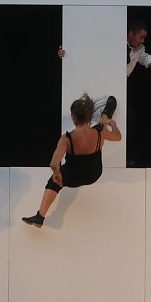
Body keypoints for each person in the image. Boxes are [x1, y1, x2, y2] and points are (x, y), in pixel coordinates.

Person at [22, 94, 120, 228]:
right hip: (94, 174)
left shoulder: (67, 139)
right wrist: (113, 125)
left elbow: (54, 164)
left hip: (72, 178)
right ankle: (106, 115)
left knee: (53, 182)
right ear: (89, 116)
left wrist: (57, 174)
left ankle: (40, 216)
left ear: (73, 117)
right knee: (102, 125)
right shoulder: (100, 132)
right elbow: (118, 137)